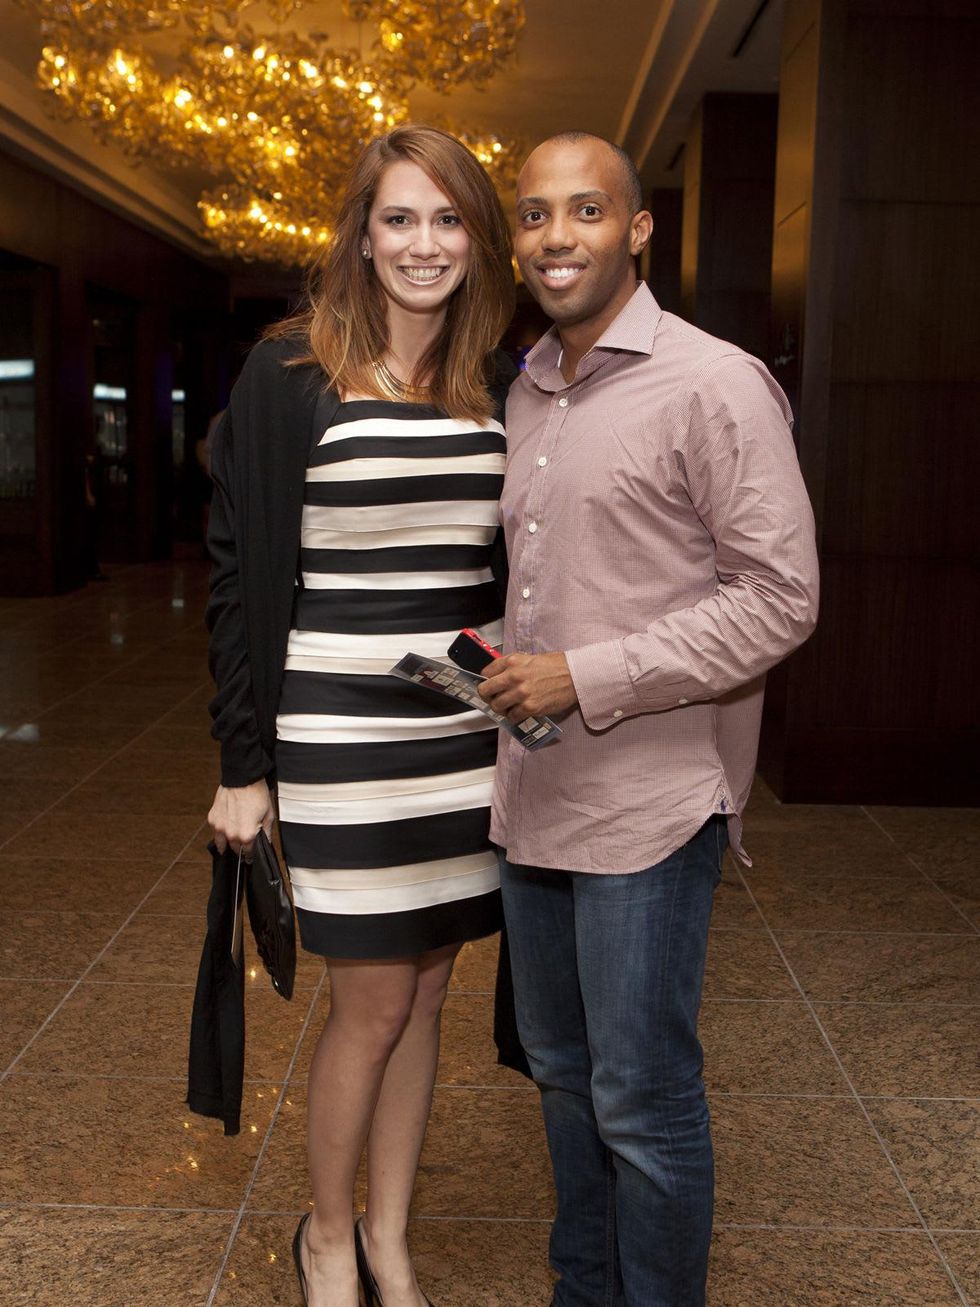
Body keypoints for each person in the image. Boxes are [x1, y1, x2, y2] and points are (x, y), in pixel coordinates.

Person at [478, 132, 820, 1306]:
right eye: (531, 215)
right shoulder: (528, 388)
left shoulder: (712, 381)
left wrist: (587, 671)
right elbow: (568, 573)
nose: (553, 237)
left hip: (648, 801)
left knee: (640, 1095)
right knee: (562, 1077)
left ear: (636, 230)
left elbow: (781, 597)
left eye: (583, 211)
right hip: (532, 793)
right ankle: (587, 1288)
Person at [205, 124, 516, 1307]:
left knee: (430, 984)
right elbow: (236, 576)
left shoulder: (496, 377)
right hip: (335, 733)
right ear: (361, 233)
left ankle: (391, 1232)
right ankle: (325, 1235)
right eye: (399, 218)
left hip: (456, 733)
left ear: (475, 238)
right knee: (373, 995)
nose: (423, 243)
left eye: (446, 219)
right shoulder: (291, 371)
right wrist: (243, 764)